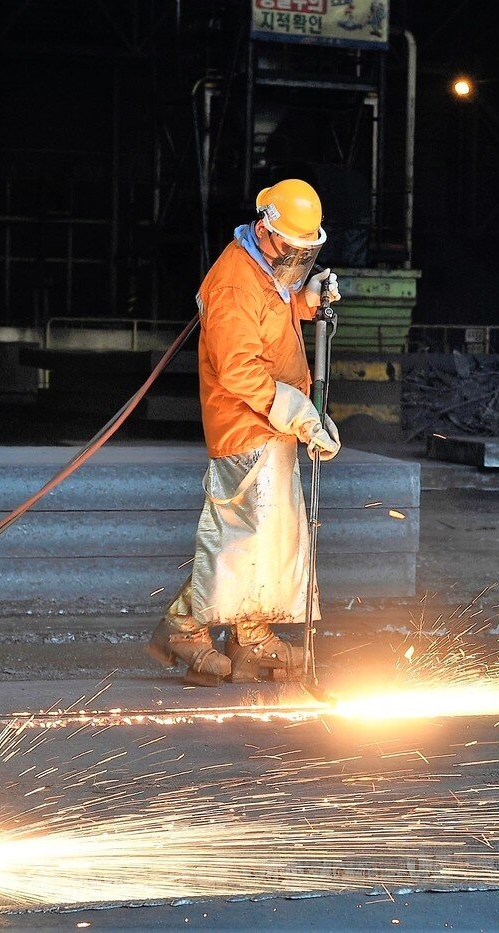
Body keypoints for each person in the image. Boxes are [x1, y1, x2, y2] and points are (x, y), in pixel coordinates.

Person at [147, 179, 342, 686]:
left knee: (265, 538)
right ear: (264, 229)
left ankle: (250, 636)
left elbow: (270, 314)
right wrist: (298, 410)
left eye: (305, 252)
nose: (296, 259)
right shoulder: (235, 282)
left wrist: (304, 301)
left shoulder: (263, 270)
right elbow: (238, 369)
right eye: (291, 248)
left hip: (269, 426)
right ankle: (182, 628)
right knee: (238, 540)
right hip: (245, 426)